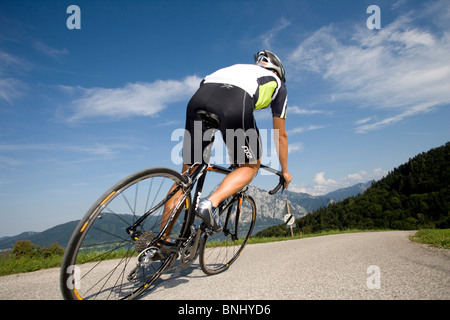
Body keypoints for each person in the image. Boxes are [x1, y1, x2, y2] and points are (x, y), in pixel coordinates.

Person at [180, 50, 293, 233]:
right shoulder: (278, 83)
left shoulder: (236, 68)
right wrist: (285, 171)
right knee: (251, 166)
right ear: (278, 71)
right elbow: (280, 135)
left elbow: (221, 108)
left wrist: (235, 153)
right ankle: (210, 203)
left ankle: (162, 242)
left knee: (184, 179)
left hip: (199, 98)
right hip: (236, 100)